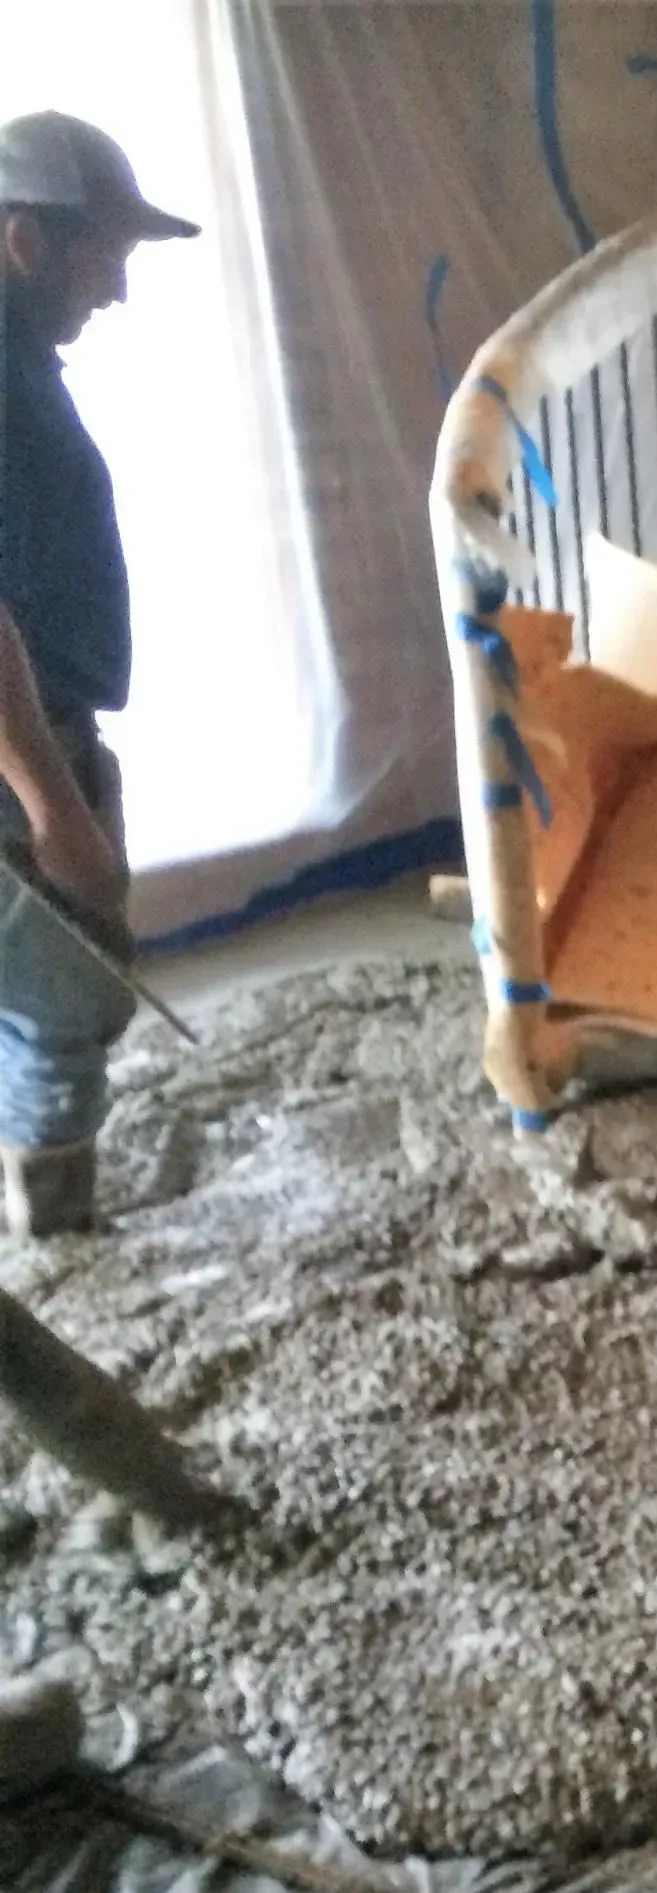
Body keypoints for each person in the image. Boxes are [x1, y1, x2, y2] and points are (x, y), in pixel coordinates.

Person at [0, 111, 198, 1238]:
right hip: (18, 755)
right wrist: (53, 808)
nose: (116, 290)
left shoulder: (22, 360)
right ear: (24, 241)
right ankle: (60, 1240)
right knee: (66, 1001)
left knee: (36, 1000)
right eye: (103, 258)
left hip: (39, 727)